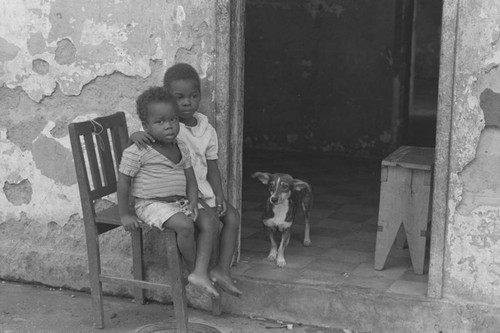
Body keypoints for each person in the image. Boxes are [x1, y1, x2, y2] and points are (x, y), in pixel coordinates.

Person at [131, 63, 243, 296]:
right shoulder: (169, 126)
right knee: (210, 221)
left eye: (193, 96)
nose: (187, 102)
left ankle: (222, 270)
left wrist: (219, 194)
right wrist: (134, 134)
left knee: (232, 216)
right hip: (183, 193)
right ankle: (199, 270)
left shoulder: (206, 128)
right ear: (168, 99)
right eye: (179, 97)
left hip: (204, 189)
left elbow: (212, 165)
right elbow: (144, 136)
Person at [117, 86, 219, 298]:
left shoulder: (181, 146)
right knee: (185, 225)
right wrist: (125, 213)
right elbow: (124, 182)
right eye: (160, 122)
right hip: (150, 203)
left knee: (211, 221)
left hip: (180, 201)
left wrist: (192, 201)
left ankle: (200, 271)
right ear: (145, 126)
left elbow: (191, 180)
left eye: (173, 120)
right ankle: (193, 269)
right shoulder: (138, 150)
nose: (169, 126)